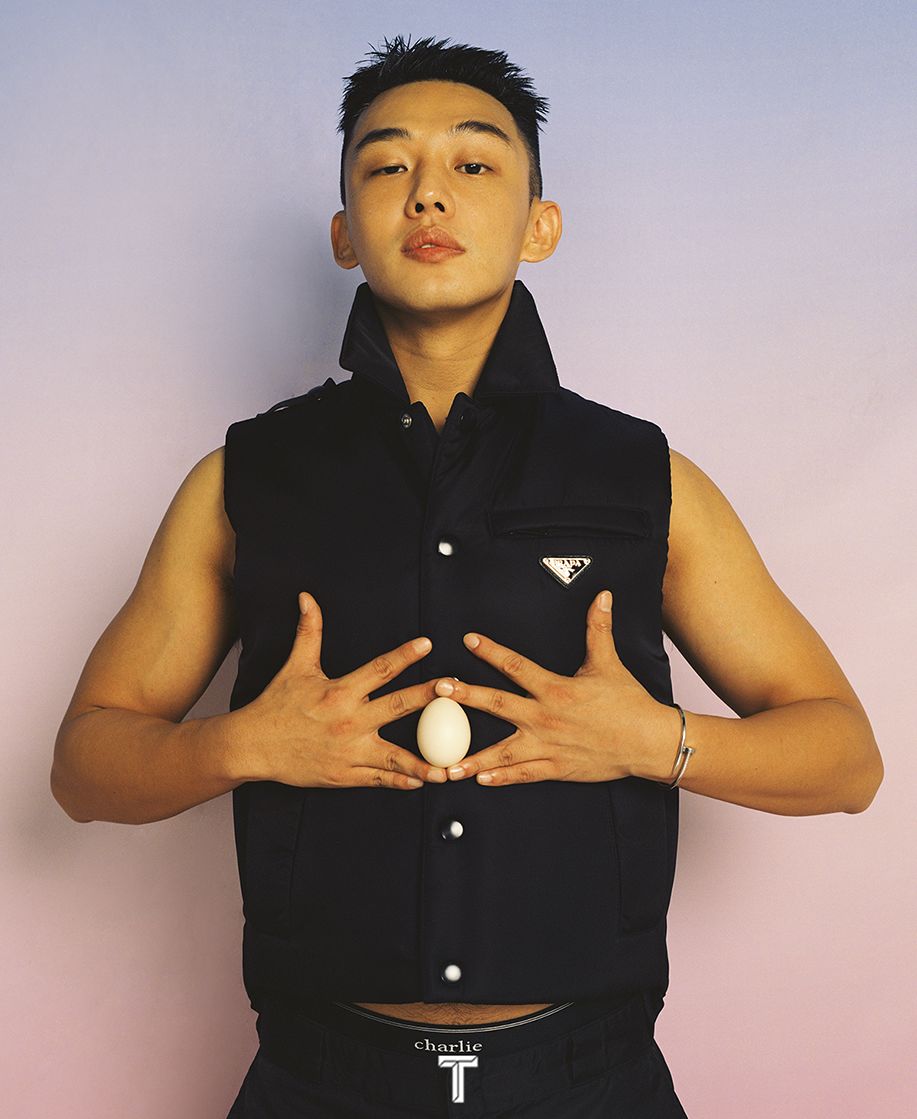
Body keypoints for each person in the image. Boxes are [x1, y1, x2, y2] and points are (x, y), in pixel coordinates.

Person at [50, 35, 883, 1119]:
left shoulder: (643, 476)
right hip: (319, 1080)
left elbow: (844, 758)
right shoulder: (244, 479)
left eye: (474, 163)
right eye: (386, 165)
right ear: (344, 233)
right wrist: (242, 743)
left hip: (589, 1083)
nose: (427, 193)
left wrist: (654, 741)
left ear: (540, 224)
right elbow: (84, 766)